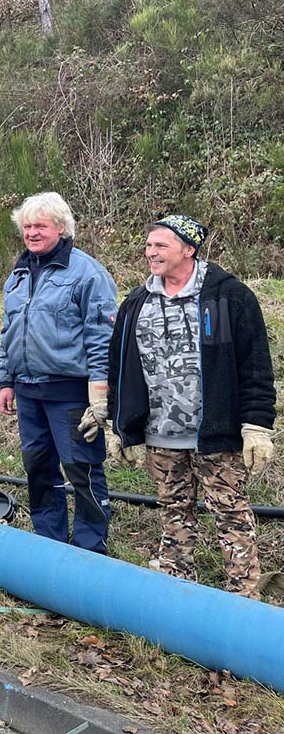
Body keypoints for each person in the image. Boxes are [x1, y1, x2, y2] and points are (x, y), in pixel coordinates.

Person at [108, 215, 275, 598]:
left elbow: (255, 366)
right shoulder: (137, 302)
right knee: (173, 512)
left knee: (231, 516)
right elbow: (119, 367)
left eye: (161, 246)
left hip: (217, 436)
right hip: (161, 436)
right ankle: (178, 588)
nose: (151, 253)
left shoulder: (229, 297)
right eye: (148, 246)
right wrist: (120, 426)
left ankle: (243, 597)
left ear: (189, 249)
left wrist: (256, 425)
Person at [0, 192, 116, 554]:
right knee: (38, 469)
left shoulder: (87, 273)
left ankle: (90, 547)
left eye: (40, 226)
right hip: (29, 391)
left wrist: (99, 393)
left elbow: (102, 336)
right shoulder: (17, 274)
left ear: (61, 228)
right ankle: (49, 543)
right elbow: (9, 330)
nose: (32, 233)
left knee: (82, 469)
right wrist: (6, 380)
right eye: (27, 226)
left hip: (70, 393)